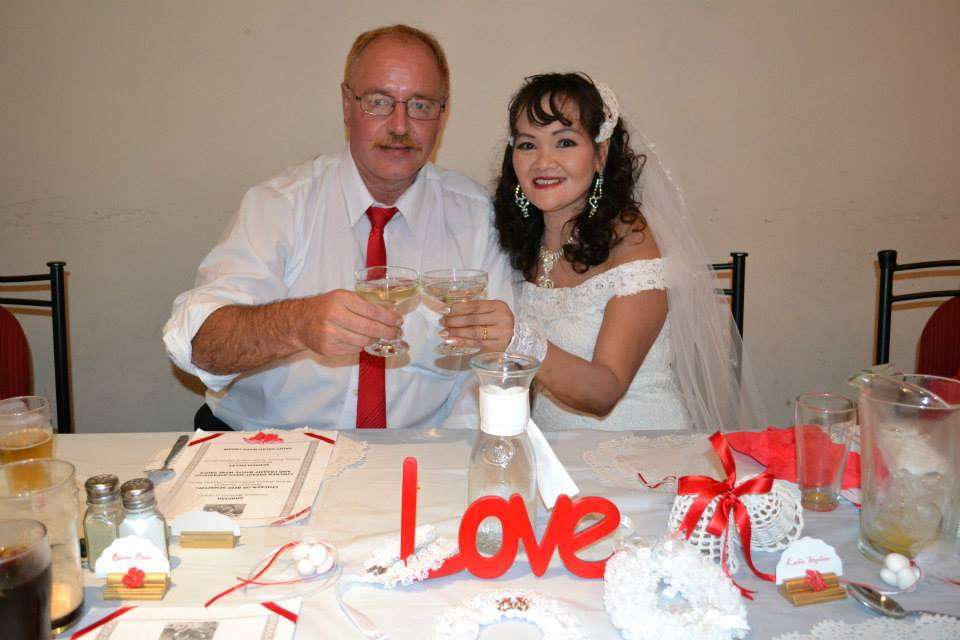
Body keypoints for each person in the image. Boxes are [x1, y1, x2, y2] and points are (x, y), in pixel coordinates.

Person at [163, 25, 515, 430]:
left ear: (443, 113)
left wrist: (447, 456)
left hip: (417, 453)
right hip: (271, 446)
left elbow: (490, 374)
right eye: (379, 102)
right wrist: (296, 324)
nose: (400, 126)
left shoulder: (478, 218)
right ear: (347, 105)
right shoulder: (279, 205)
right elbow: (198, 345)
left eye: (420, 105)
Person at [442, 73, 764, 431]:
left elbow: (605, 391)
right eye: (528, 145)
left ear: (600, 154)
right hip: (553, 449)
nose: (543, 161)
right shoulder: (525, 237)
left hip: (635, 446)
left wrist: (517, 339)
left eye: (564, 142)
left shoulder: (632, 240)